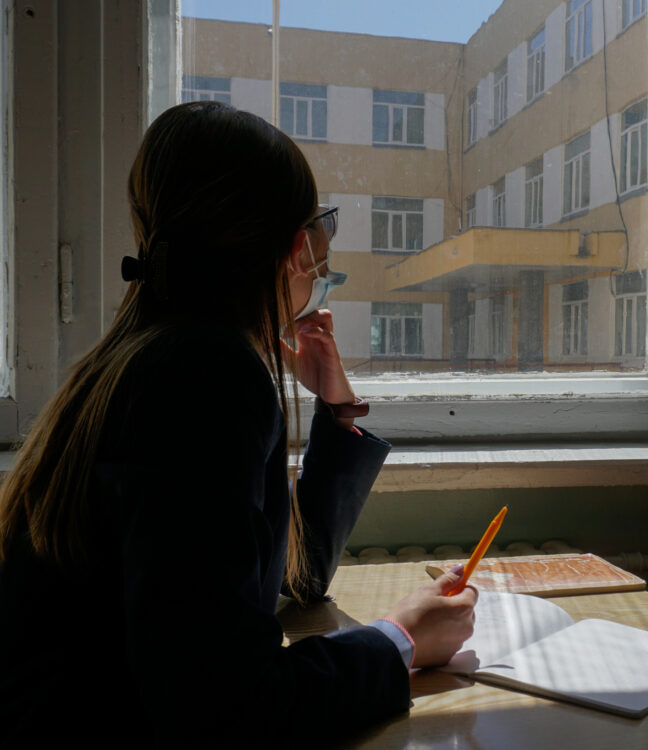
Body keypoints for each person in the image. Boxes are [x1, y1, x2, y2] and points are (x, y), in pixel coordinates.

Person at [0, 101, 477, 747]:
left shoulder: (140, 358)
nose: (318, 269)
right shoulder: (204, 376)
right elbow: (229, 713)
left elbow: (292, 580)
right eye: (318, 246)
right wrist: (399, 641)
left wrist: (336, 408)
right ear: (292, 250)